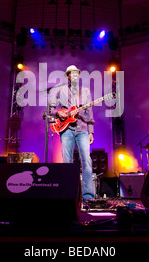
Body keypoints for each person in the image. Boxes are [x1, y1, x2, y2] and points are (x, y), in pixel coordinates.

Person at [49, 65, 95, 202]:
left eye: (77, 74)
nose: (74, 76)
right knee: (67, 161)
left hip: (82, 129)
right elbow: (51, 109)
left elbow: (89, 113)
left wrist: (91, 131)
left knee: (86, 160)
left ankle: (88, 197)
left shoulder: (85, 91)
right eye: (72, 73)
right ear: (68, 76)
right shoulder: (60, 90)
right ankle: (68, 194)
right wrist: (58, 112)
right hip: (67, 129)